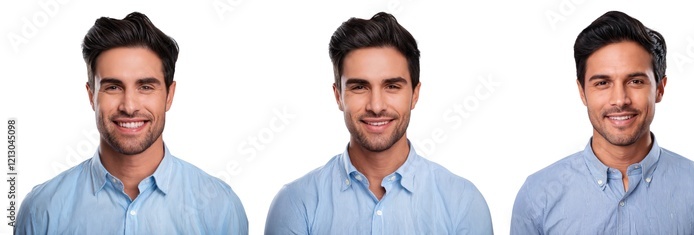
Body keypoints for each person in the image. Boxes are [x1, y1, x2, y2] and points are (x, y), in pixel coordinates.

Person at [15, 12, 248, 234]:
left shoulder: (219, 206)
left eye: (145, 87)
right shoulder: (42, 209)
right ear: (91, 96)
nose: (129, 106)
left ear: (169, 95)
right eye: (113, 87)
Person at [264, 12, 493, 234]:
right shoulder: (295, 204)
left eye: (392, 86)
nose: (376, 106)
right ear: (338, 96)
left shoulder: (463, 203)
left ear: (415, 94)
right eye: (359, 87)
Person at [510, 10, 694, 234]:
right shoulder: (537, 197)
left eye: (636, 81)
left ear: (659, 88)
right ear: (582, 92)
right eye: (602, 83)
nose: (620, 100)